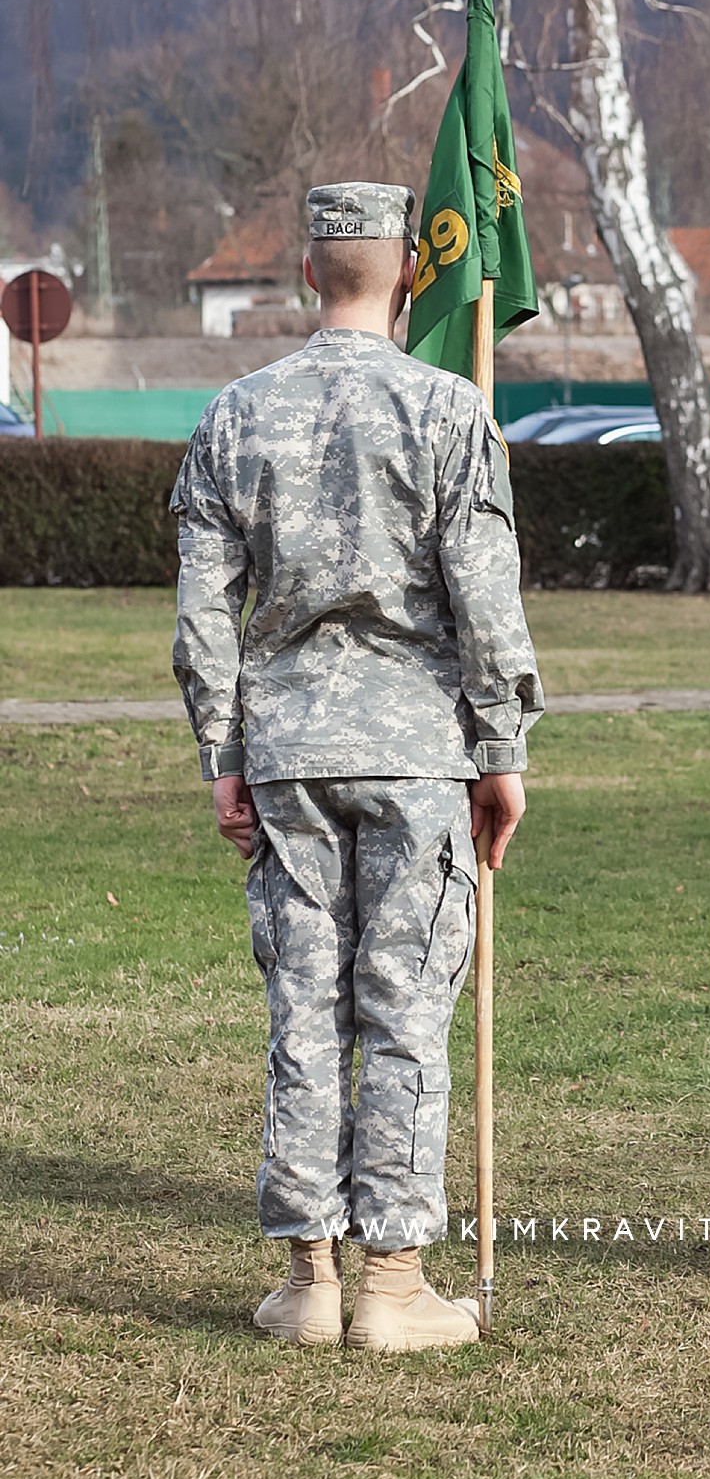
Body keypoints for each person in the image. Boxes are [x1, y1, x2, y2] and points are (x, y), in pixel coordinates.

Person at [171, 181, 543, 1352]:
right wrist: (503, 746)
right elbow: (485, 597)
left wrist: (221, 749)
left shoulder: (236, 412)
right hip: (415, 749)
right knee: (402, 1003)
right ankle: (392, 1280)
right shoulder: (448, 408)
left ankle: (309, 1276)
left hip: (287, 752)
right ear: (409, 275)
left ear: (303, 272)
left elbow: (201, 611)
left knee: (303, 1004)